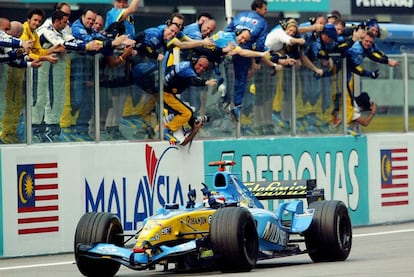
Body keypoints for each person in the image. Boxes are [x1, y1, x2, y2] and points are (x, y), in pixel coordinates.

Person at [33, 10, 102, 142]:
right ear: (57, 21)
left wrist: (79, 45)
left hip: (56, 69)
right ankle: (36, 129)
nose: (66, 25)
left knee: (58, 98)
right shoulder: (47, 30)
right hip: (41, 69)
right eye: (64, 22)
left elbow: (71, 41)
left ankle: (52, 129)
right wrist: (86, 46)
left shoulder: (62, 30)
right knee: (42, 98)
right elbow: (63, 45)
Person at [224, 0, 269, 121]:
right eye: (265, 9)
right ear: (258, 9)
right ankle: (236, 107)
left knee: (227, 81)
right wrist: (257, 61)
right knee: (240, 80)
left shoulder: (239, 15)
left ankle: (226, 100)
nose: (266, 11)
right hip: (242, 55)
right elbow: (260, 44)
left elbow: (227, 31)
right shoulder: (262, 23)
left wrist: (227, 45)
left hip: (227, 50)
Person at [345, 31, 399, 129]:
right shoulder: (356, 49)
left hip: (348, 77)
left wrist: (387, 60)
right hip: (343, 76)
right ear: (361, 39)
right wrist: (370, 73)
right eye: (366, 41)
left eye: (370, 42)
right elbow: (355, 67)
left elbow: (375, 54)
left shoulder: (366, 48)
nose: (368, 43)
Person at [163, 56, 217, 144]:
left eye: (204, 68)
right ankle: (167, 131)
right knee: (187, 113)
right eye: (200, 65)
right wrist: (206, 82)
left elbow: (170, 69)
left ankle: (169, 128)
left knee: (187, 110)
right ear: (195, 62)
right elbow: (193, 81)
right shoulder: (188, 70)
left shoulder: (185, 64)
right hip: (165, 94)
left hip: (166, 92)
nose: (201, 69)